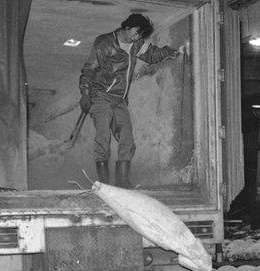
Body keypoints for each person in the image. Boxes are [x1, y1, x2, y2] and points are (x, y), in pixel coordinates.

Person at [78, 14, 184, 187]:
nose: (137, 37)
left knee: (127, 140)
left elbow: (153, 54)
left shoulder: (137, 44)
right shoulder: (104, 43)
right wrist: (85, 93)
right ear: (127, 26)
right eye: (136, 32)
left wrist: (173, 52)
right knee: (103, 138)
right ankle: (104, 184)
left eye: (140, 36)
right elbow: (89, 69)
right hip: (100, 95)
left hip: (119, 99)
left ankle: (123, 181)